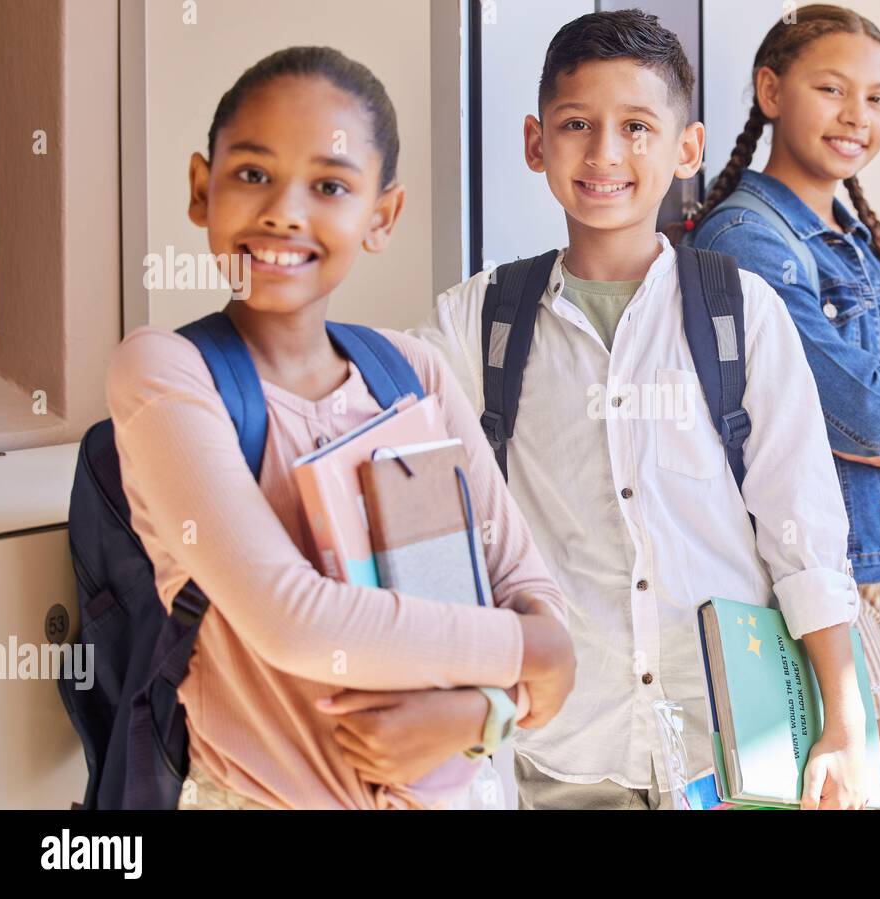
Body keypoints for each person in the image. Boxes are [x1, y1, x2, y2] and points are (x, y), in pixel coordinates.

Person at [417, 9, 870, 810]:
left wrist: (844, 721)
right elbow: (425, 531)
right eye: (576, 125)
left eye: (636, 127)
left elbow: (802, 529)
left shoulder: (741, 312)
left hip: (730, 749)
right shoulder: (474, 321)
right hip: (558, 754)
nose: (603, 154)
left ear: (685, 148)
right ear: (535, 141)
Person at [106, 46, 575, 810]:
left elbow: (527, 588)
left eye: (329, 185)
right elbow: (296, 621)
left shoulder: (411, 372)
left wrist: (480, 709)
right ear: (202, 188)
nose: (286, 210)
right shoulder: (166, 372)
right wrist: (535, 653)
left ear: (381, 216)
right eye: (253, 173)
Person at [688, 5, 880, 809]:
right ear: (771, 89)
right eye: (832, 88)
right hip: (835, 573)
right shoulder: (748, 239)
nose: (859, 116)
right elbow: (858, 412)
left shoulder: (862, 239)